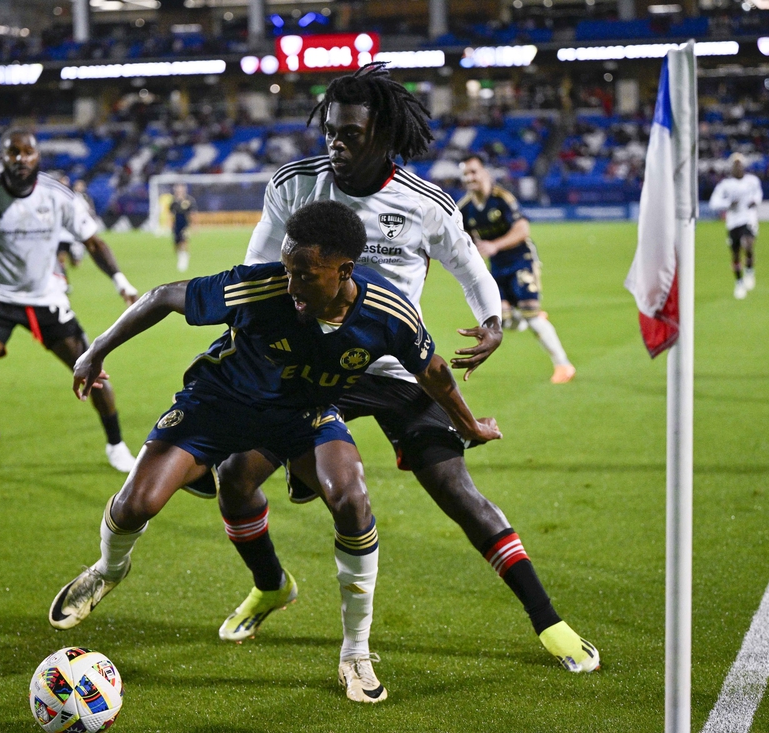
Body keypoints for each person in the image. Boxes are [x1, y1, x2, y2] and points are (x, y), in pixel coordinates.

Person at [190, 63, 599, 674]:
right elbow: (256, 277)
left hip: (397, 366)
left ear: (382, 133)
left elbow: (468, 265)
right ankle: (271, 584)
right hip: (311, 370)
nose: (336, 144)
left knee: (458, 491)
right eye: (330, 131)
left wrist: (492, 322)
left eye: (350, 133)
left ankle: (550, 622)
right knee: (234, 476)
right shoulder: (295, 184)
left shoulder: (423, 202)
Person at [49, 200, 502, 703]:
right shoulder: (262, 285)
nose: (290, 285)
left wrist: (470, 427)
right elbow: (162, 297)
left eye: (304, 275)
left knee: (351, 499)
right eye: (287, 269)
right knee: (137, 505)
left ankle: (355, 652)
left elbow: (433, 371)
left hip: (302, 414)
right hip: (218, 403)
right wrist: (96, 351)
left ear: (344, 272)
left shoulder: (387, 312)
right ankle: (109, 570)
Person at [0, 128, 140, 478]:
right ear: (2, 158)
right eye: (12, 152)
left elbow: (93, 242)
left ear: (37, 157)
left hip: (46, 296)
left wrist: (121, 282)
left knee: (92, 370)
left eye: (27, 152)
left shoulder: (57, 196)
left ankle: (116, 445)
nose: (20, 158)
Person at [458, 154, 575, 384]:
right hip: (496, 267)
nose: (470, 177)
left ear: (485, 173)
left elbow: (523, 229)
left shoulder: (502, 198)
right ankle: (529, 314)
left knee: (531, 316)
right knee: (505, 321)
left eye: (473, 171)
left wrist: (494, 245)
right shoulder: (466, 208)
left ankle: (563, 365)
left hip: (521, 260)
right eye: (465, 174)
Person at [708, 153, 763, 300]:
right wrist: (728, 204)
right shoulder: (725, 185)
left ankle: (749, 271)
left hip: (748, 218)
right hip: (733, 222)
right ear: (732, 167)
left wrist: (755, 201)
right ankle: (739, 282)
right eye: (735, 165)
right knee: (735, 254)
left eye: (740, 164)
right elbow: (713, 202)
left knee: (748, 244)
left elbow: (758, 194)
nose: (738, 167)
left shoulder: (752, 181)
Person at [169, 183, 195, 273]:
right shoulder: (174, 202)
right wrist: (170, 224)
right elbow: (171, 214)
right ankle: (180, 255)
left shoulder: (189, 201)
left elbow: (192, 214)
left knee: (184, 240)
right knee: (176, 243)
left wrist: (194, 226)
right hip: (176, 225)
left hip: (185, 225)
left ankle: (184, 258)